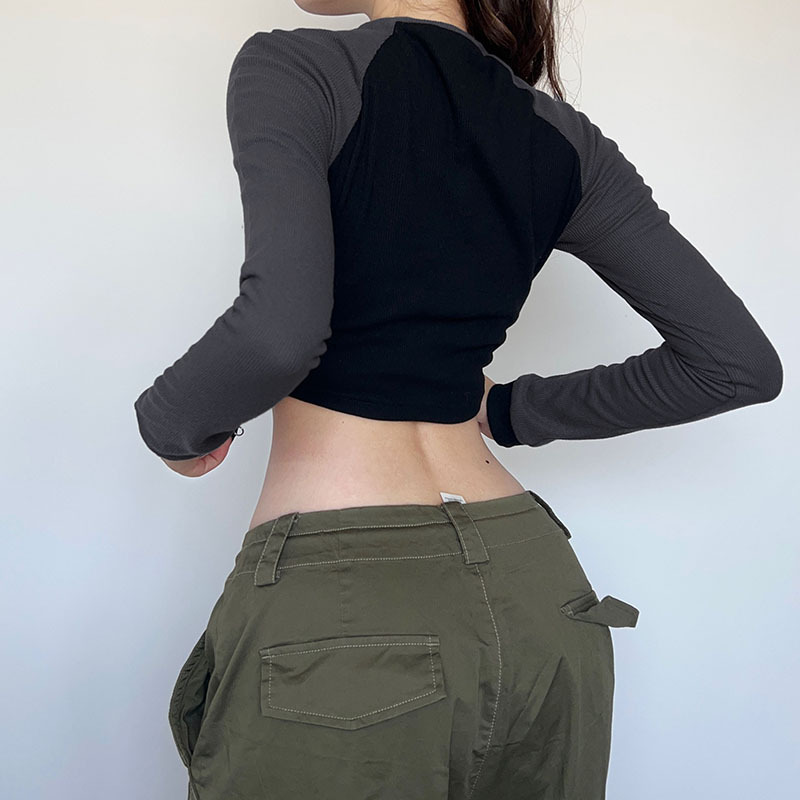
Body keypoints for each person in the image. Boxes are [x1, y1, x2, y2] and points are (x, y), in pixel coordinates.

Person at [134, 2, 783, 798]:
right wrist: (506, 411)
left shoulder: (300, 67)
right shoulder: (564, 138)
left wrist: (171, 425)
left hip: (351, 610)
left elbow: (279, 333)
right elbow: (735, 365)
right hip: (543, 598)